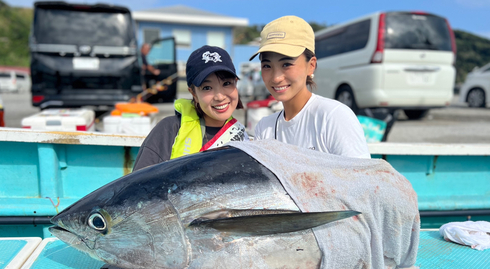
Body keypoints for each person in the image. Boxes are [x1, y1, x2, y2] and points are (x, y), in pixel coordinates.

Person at [250, 16, 370, 159]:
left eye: (286, 64)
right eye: (267, 66)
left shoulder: (333, 116)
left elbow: (360, 178)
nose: (276, 78)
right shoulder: (264, 128)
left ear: (311, 65)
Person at [133, 45, 248, 171]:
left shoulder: (243, 137)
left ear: (236, 83)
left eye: (226, 84)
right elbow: (139, 184)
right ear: (193, 93)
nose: (220, 97)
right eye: (207, 88)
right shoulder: (169, 129)